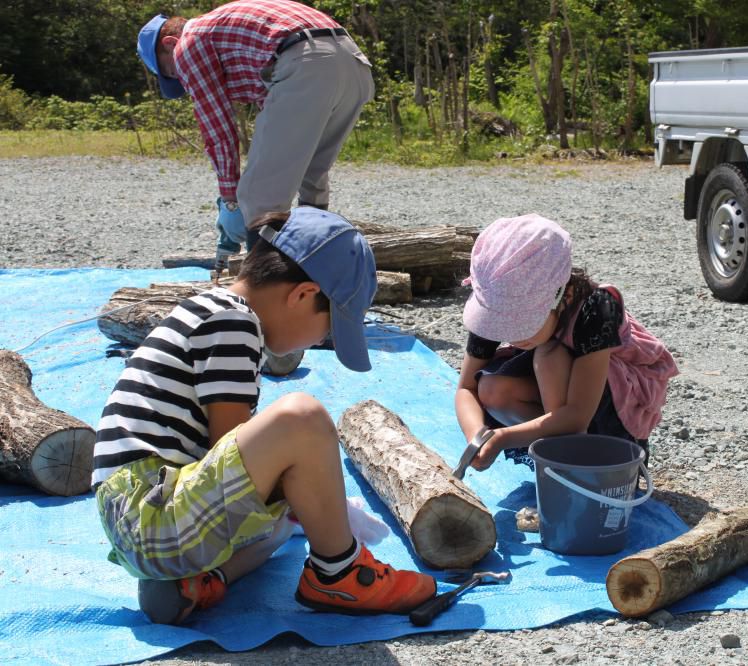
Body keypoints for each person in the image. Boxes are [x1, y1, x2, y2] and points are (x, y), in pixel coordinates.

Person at [91, 207, 436, 625]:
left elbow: (232, 470)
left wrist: (311, 502)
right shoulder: (232, 319)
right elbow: (229, 440)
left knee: (283, 526)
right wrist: (315, 491)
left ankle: (199, 583)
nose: (321, 340)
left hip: (148, 517)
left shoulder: (215, 309)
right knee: (302, 417)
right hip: (153, 515)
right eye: (328, 329)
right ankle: (340, 573)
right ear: (303, 295)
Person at [136, 0, 374, 273]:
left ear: (169, 43)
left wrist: (231, 200)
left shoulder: (188, 43)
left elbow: (218, 127)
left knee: (258, 198)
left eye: (170, 72)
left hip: (305, 61)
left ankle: (260, 292)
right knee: (311, 174)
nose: (180, 79)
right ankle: (318, 272)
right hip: (353, 63)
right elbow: (275, 113)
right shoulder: (225, 28)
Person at [455, 213, 679, 472]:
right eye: (506, 326)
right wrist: (478, 436)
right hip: (555, 392)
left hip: (604, 400)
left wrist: (504, 437)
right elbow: (466, 389)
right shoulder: (496, 300)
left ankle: (581, 456)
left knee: (550, 355)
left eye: (522, 324)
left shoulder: (597, 306)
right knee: (493, 388)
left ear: (563, 294)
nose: (513, 336)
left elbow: (577, 414)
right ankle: (554, 449)